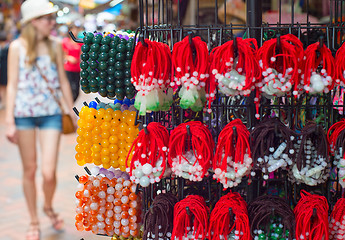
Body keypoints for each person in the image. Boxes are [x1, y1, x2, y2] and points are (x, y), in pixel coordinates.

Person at [5, 0, 76, 239]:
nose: (52, 23)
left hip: (51, 114)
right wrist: (9, 121)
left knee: (48, 172)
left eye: (52, 18)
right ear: (33, 22)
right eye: (47, 18)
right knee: (30, 169)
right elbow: (12, 85)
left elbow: (64, 81)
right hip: (24, 115)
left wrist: (70, 111)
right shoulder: (17, 47)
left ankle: (48, 206)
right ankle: (34, 220)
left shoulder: (56, 46)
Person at [62, 23, 82, 102]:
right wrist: (69, 58)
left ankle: (72, 103)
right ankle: (70, 105)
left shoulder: (79, 42)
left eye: (76, 29)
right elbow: (62, 55)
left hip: (77, 69)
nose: (75, 31)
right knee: (70, 88)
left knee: (77, 90)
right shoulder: (65, 41)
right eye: (73, 29)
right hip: (68, 68)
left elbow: (81, 55)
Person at [0, 30, 9, 109]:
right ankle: (4, 102)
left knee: (5, 86)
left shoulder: (8, 47)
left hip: (5, 69)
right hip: (4, 69)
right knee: (3, 87)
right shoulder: (8, 47)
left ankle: (5, 103)